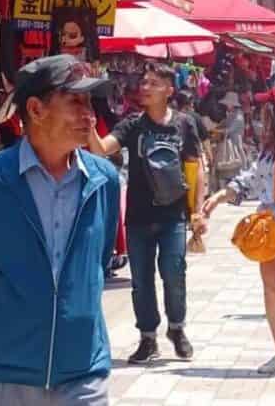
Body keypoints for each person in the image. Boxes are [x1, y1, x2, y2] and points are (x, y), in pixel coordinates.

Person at [0, 55, 119, 405]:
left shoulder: (104, 180)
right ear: (36, 109)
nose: (89, 115)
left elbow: (97, 264)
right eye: (75, 102)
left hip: (81, 372)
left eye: (89, 102)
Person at [87, 63, 205, 364]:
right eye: (144, 82)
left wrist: (198, 210)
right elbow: (101, 149)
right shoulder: (132, 125)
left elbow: (195, 167)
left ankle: (176, 329)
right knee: (141, 280)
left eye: (153, 83)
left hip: (173, 215)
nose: (145, 87)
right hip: (138, 216)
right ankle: (148, 337)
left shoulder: (184, 124)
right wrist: (89, 126)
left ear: (169, 89)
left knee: (174, 274)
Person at [202, 88, 275, 375]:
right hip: (269, 223)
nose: (261, 114)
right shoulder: (269, 145)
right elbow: (252, 177)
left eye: (266, 109)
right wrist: (220, 196)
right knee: (272, 288)